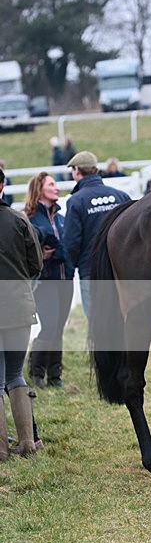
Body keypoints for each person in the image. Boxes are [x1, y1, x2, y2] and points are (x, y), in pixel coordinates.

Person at [0, 166, 43, 461]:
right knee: (15, 374)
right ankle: (27, 443)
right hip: (16, 304)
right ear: (3, 186)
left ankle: (1, 449)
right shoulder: (18, 219)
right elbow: (36, 264)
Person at [63, 151, 131, 319]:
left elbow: (72, 242)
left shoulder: (76, 201)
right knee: (121, 319)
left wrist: (69, 271)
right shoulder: (120, 196)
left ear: (77, 170)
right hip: (120, 269)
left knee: (97, 323)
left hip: (91, 270)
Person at [23, 172, 74, 388]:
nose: (56, 187)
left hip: (65, 279)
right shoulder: (30, 218)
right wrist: (38, 256)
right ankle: (36, 372)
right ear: (40, 189)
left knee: (59, 327)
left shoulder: (62, 219)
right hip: (45, 281)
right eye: (51, 184)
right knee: (50, 325)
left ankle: (55, 376)